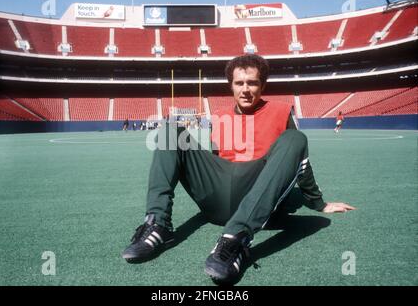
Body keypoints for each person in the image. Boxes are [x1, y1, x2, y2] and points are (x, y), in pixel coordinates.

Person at [121, 54, 355, 284]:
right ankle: (157, 225)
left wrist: (318, 203)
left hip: (257, 193)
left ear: (262, 85)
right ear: (231, 86)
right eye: (239, 83)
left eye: (252, 82)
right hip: (217, 197)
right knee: (170, 132)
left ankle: (235, 239)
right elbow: (215, 160)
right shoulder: (220, 116)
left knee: (295, 138)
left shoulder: (282, 112)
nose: (245, 89)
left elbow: (298, 160)